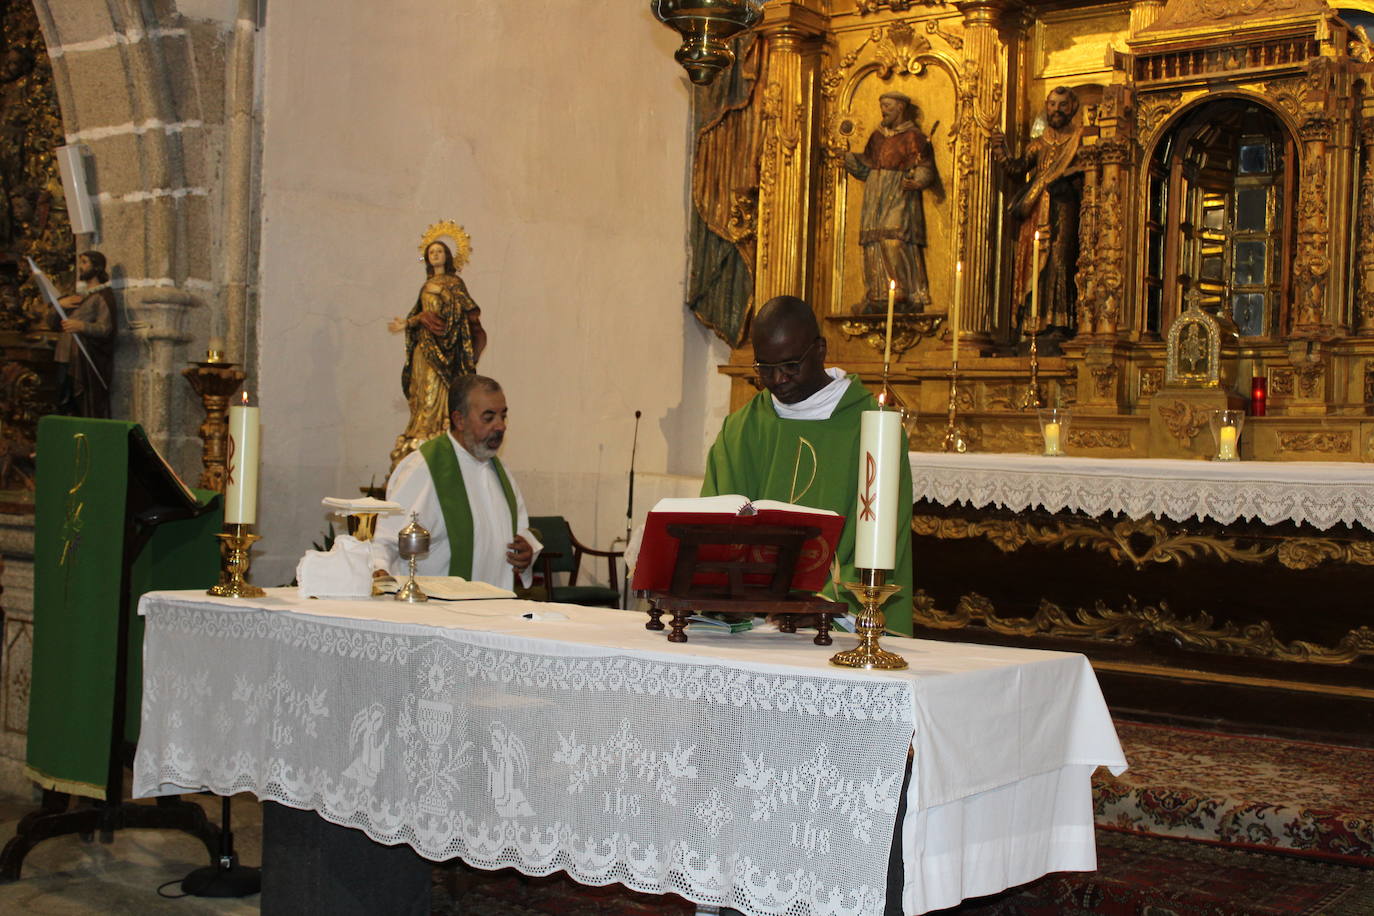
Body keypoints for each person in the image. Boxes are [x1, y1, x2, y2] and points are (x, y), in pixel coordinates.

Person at [701, 296, 914, 633]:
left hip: (835, 627)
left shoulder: (873, 429)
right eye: (764, 368)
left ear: (820, 350)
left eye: (790, 365)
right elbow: (711, 529)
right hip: (751, 625)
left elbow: (890, 537)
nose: (777, 379)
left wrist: (826, 604)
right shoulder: (740, 430)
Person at [374, 375, 541, 590]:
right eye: (488, 418)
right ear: (459, 419)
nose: (500, 426)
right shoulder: (425, 467)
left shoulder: (500, 471)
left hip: (495, 606)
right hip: (439, 611)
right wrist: (380, 571)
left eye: (503, 416)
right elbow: (387, 539)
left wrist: (528, 551)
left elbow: (519, 530)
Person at [993, 86, 1086, 337]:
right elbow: (1017, 169)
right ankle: (1035, 323)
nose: (1056, 110)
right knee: (1036, 263)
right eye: (1052, 104)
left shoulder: (1079, 140)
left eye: (1062, 105)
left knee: (1060, 261)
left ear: (1072, 108)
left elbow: (1087, 174)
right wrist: (1001, 152)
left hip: (1065, 209)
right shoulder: (1038, 144)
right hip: (1037, 209)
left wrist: (1068, 178)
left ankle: (1061, 322)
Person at [388, 240, 487, 468]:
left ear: (448, 256)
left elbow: (463, 313)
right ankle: (420, 430)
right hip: (424, 346)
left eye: (439, 251)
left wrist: (433, 321)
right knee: (421, 390)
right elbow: (422, 314)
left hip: (447, 349)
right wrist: (411, 322)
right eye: (431, 252)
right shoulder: (427, 284)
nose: (435, 255)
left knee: (439, 390)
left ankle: (439, 430)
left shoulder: (454, 283)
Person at [843, 91, 938, 313]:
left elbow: (925, 167)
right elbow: (867, 166)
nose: (883, 110)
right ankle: (877, 294)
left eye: (887, 106)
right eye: (882, 105)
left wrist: (917, 181)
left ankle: (905, 291)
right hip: (875, 194)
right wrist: (849, 159)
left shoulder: (914, 136)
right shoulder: (877, 136)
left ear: (900, 108)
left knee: (894, 241)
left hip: (898, 193)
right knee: (873, 242)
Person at [47, 251, 116, 418]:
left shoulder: (103, 296)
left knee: (82, 402)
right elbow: (53, 323)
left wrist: (81, 326)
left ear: (97, 267)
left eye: (85, 262)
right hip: (65, 355)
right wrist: (59, 304)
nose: (81, 267)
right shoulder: (78, 297)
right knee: (62, 399)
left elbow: (105, 328)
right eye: (81, 262)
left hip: (83, 359)